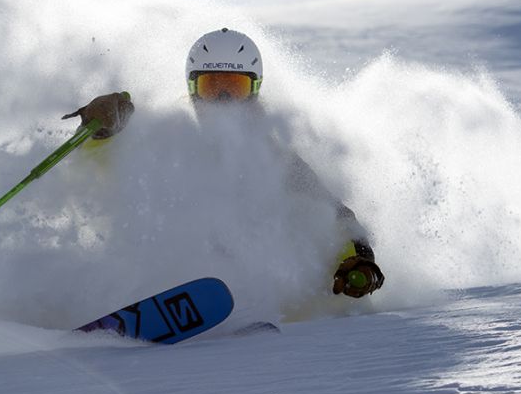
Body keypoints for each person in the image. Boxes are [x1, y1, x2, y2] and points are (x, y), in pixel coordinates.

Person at [62, 27, 384, 301]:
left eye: (235, 87)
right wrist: (101, 133)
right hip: (149, 265)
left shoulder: (271, 157)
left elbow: (332, 213)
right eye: (212, 87)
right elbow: (96, 168)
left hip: (242, 280)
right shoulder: (164, 134)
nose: (224, 101)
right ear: (192, 88)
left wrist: (358, 260)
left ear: (255, 90)